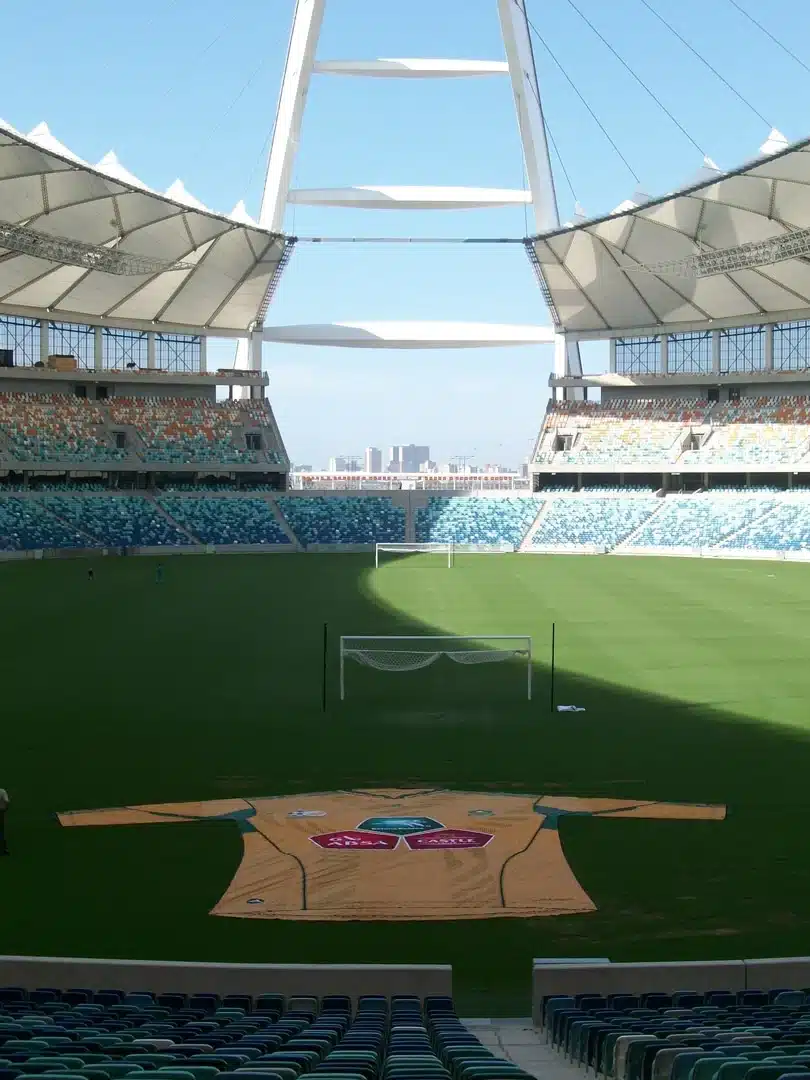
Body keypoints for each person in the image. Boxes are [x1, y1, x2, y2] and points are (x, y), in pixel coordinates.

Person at [0, 788, 9, 855]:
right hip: (1, 812)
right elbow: (6, 801)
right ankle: (4, 849)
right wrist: (5, 809)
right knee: (2, 831)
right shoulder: (2, 791)